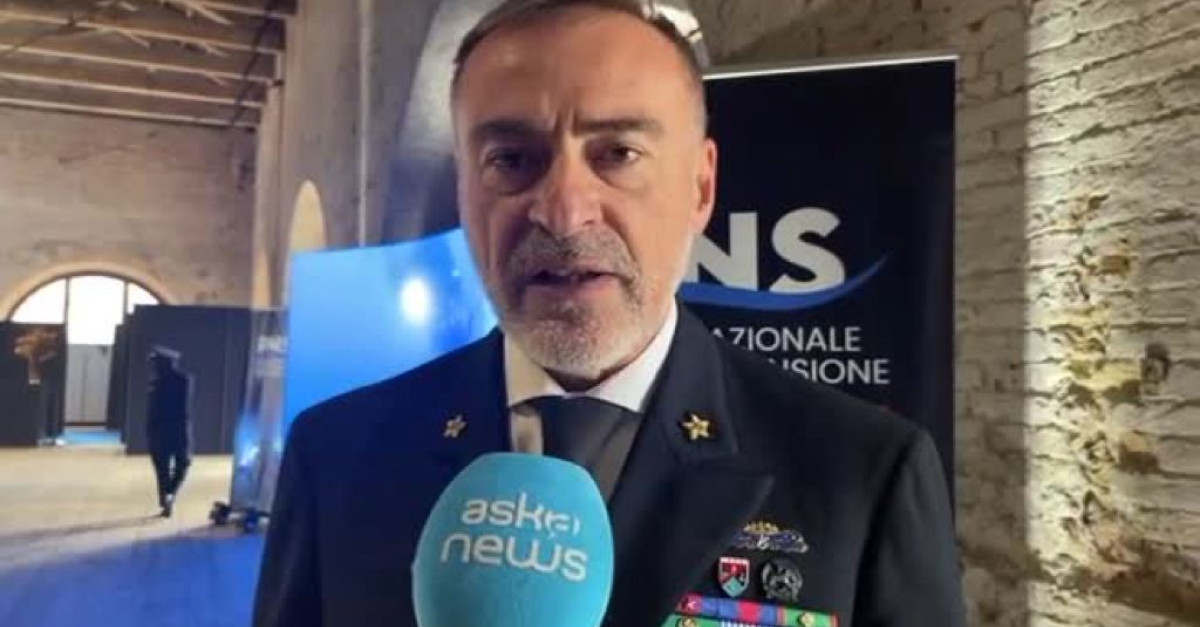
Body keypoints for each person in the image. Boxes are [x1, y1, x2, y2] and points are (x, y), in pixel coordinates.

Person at [253, 1, 967, 626]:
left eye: (618, 153)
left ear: (700, 187)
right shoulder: (335, 457)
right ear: (465, 189)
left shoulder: (863, 474)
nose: (564, 211)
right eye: (512, 159)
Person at [146, 346, 192, 518]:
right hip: (176, 430)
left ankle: (167, 495)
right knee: (176, 465)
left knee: (166, 468)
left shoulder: (163, 383)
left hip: (165, 430)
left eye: (157, 363)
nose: (155, 367)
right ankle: (168, 495)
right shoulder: (181, 381)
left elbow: (155, 410)